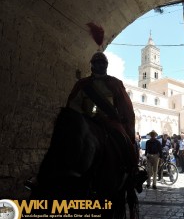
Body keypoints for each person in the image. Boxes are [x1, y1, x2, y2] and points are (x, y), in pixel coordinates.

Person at [32, 23, 141, 219]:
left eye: (102, 63)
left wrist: (123, 123)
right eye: (96, 63)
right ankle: (46, 178)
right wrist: (83, 117)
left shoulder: (115, 84)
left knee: (124, 142)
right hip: (85, 121)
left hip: (109, 122)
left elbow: (125, 107)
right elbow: (73, 104)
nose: (99, 65)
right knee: (62, 139)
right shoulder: (82, 84)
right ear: (91, 65)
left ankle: (132, 174)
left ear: (106, 66)